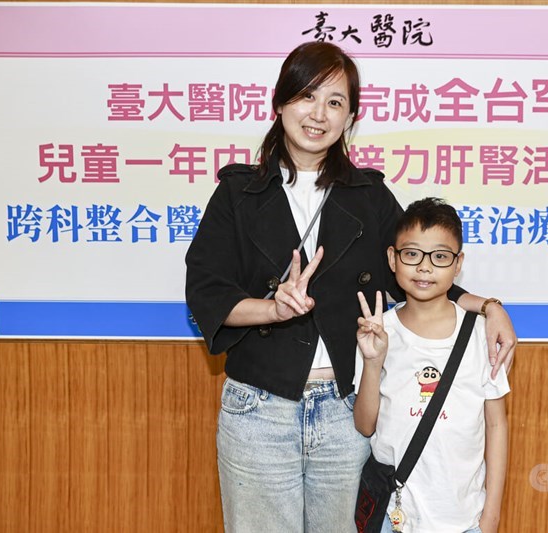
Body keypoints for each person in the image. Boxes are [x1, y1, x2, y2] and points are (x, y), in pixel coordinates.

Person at [185, 41, 516, 533]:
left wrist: (488, 306)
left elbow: (415, 266)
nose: (318, 114)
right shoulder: (238, 193)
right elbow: (207, 294)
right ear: (280, 103)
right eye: (306, 96)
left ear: (350, 117)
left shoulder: (369, 195)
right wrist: (272, 309)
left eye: (335, 102)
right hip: (258, 408)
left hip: (347, 410)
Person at [353, 197, 510, 533]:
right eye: (412, 254)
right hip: (394, 518)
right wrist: (372, 361)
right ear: (393, 259)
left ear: (458, 264)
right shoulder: (379, 331)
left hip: (465, 519)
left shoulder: (481, 333)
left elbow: (496, 425)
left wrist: (491, 515)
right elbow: (366, 425)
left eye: (440, 257)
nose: (424, 267)